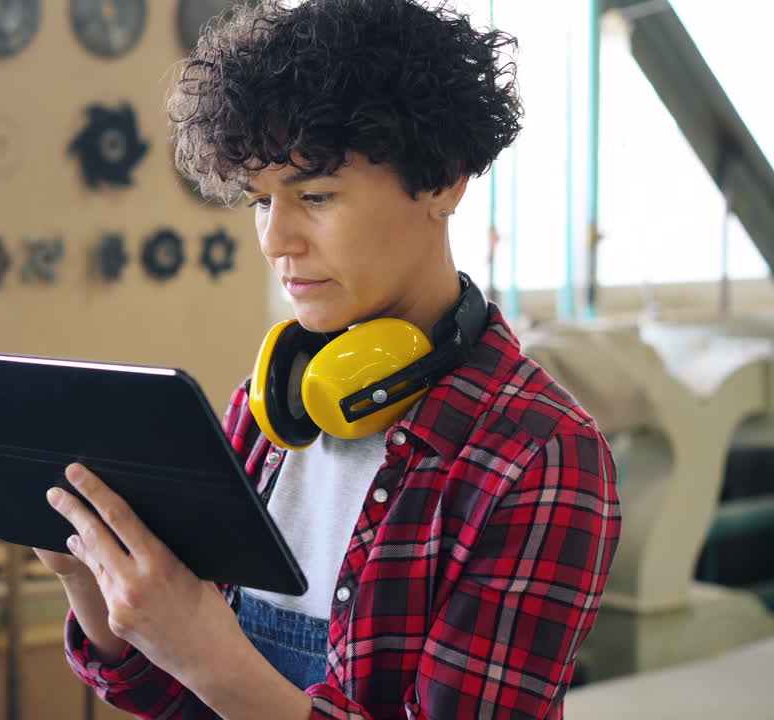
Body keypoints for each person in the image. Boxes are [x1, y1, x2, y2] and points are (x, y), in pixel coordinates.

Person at [32, 1, 622, 718]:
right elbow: (166, 696)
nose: (276, 240)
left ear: (444, 180)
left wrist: (204, 652)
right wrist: (86, 580)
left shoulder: (543, 457)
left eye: (314, 195)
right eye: (258, 201)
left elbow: (203, 670)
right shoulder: (266, 408)